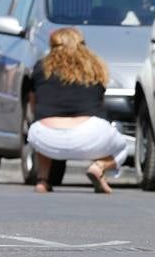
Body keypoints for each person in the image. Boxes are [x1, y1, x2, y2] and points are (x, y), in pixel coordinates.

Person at [27, 27, 128, 194]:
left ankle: (42, 181)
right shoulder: (95, 67)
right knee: (122, 147)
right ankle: (99, 166)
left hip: (47, 136)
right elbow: (100, 103)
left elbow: (33, 103)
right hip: (89, 133)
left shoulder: (40, 67)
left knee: (41, 128)